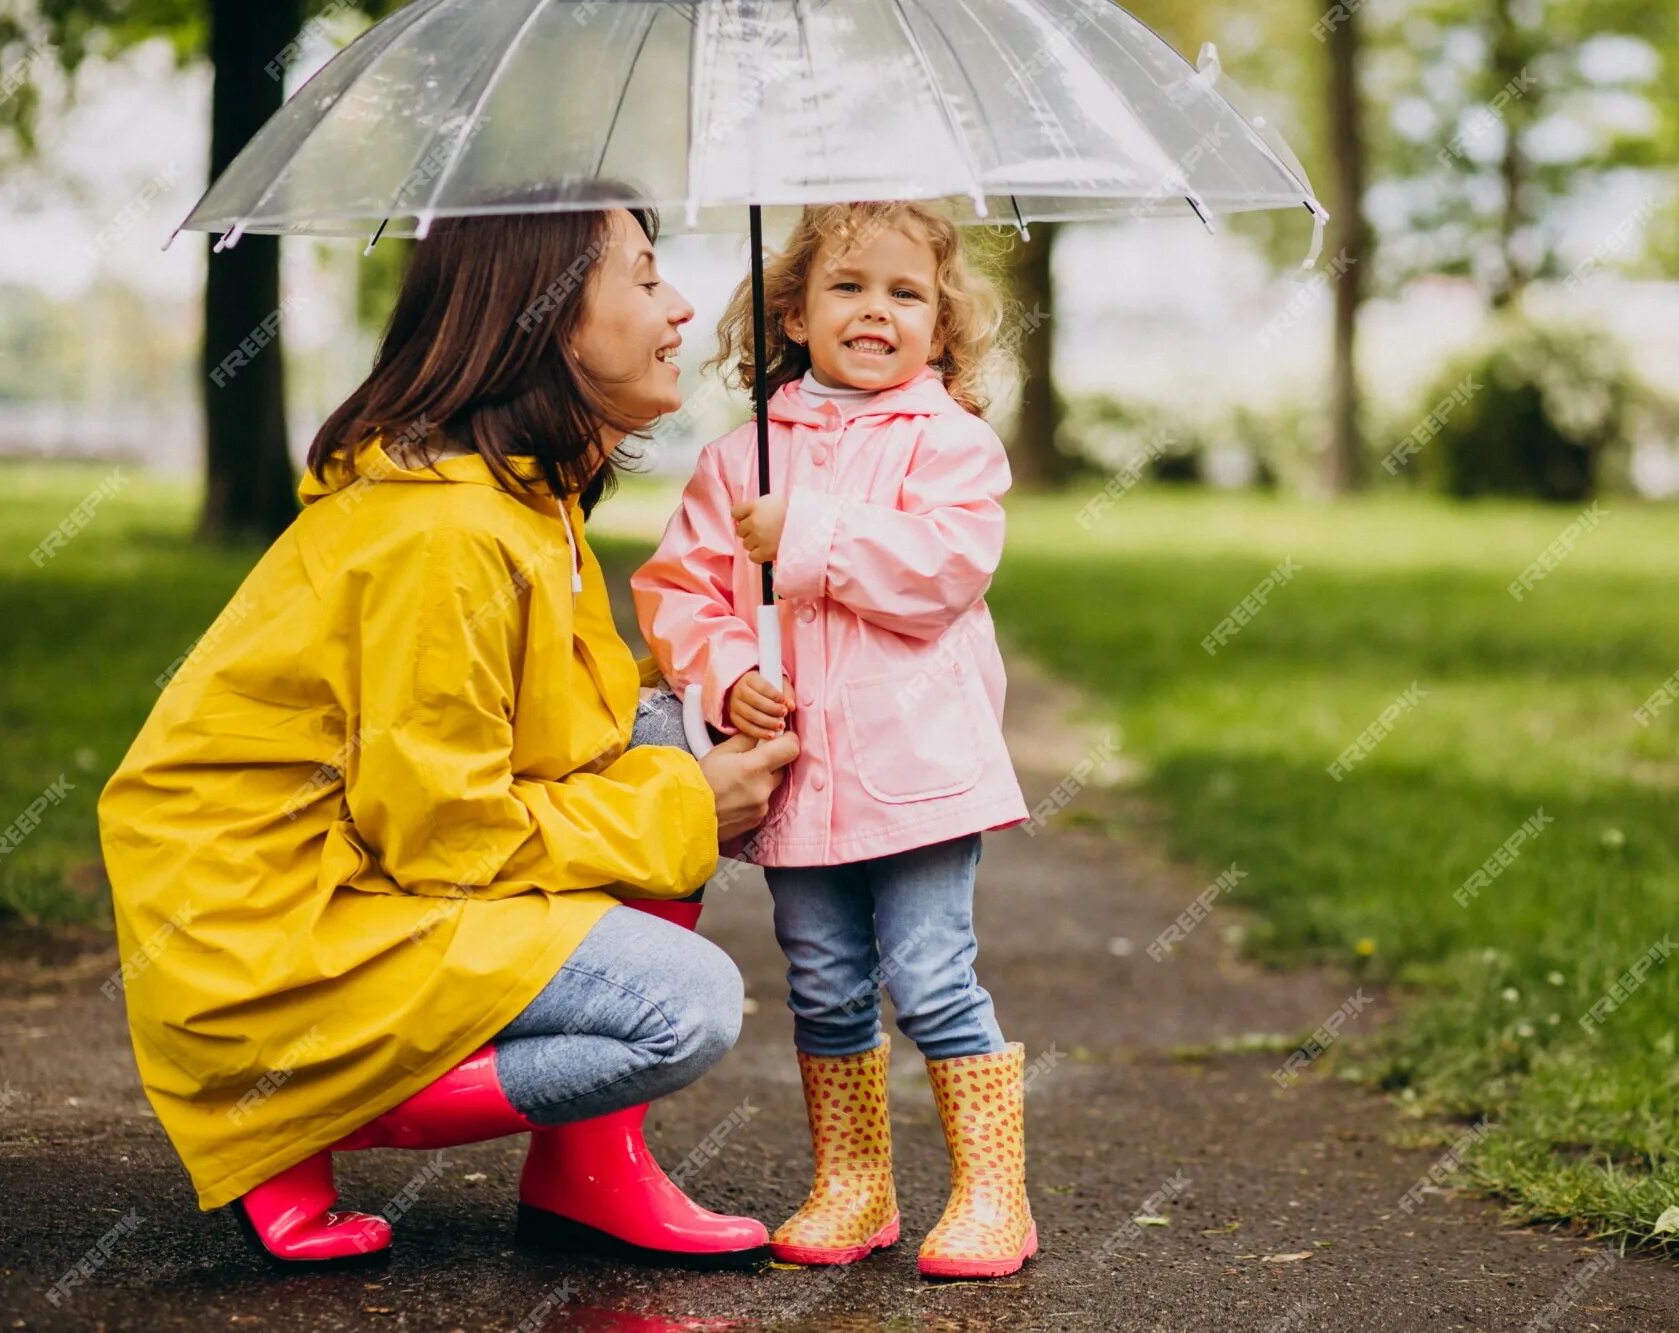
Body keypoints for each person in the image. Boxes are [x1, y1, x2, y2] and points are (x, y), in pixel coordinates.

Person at [96, 188, 798, 1270]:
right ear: (553, 315)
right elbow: (446, 836)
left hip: (366, 871)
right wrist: (686, 808)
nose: (683, 307)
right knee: (685, 1007)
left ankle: (586, 1171)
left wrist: (707, 717)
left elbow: (568, 743)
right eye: (647, 277)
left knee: (677, 730)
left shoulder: (525, 495)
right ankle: (287, 1113)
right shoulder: (446, 534)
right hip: (279, 933)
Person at [631, 200, 1036, 1280]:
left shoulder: (951, 445)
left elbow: (941, 571)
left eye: (906, 294)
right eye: (847, 288)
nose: (876, 311)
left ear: (942, 330)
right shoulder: (739, 456)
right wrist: (728, 675)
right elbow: (682, 593)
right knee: (821, 979)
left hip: (918, 775)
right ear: (793, 316)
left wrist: (805, 534)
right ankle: (854, 1183)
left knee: (932, 973)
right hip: (799, 779)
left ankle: (993, 1193)